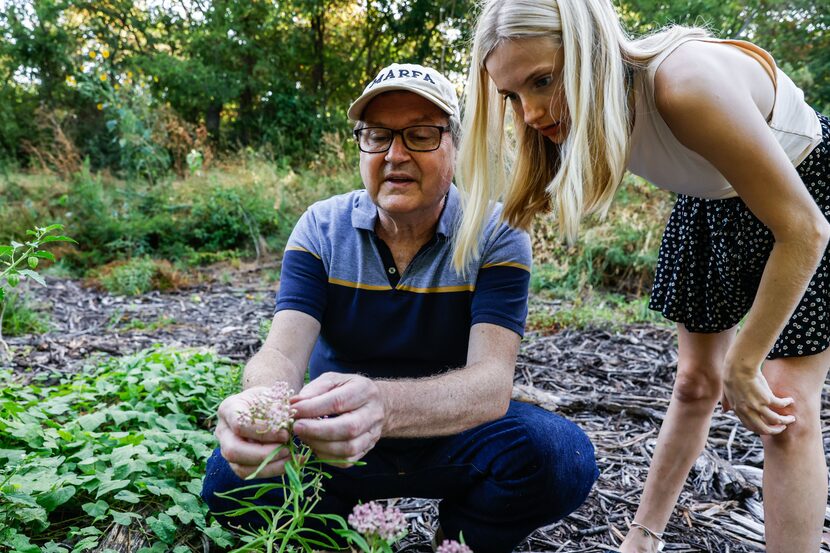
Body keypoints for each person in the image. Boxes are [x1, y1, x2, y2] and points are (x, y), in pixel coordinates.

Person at [454, 1, 830, 552]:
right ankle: (641, 540)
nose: (530, 112)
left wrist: (745, 362)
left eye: (542, 81)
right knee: (694, 382)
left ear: (589, 52)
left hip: (804, 188)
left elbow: (806, 230)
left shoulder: (684, 85)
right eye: (512, 95)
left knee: (784, 405)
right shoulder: (575, 115)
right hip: (711, 199)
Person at [201, 62, 599, 552]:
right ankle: (332, 536)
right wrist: (261, 406)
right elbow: (281, 354)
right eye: (377, 135)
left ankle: (459, 542)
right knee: (228, 478)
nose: (394, 154)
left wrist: (381, 406)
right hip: (331, 440)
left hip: (455, 434)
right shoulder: (321, 229)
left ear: (456, 145)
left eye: (420, 135)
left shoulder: (497, 232)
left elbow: (491, 384)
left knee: (562, 457)